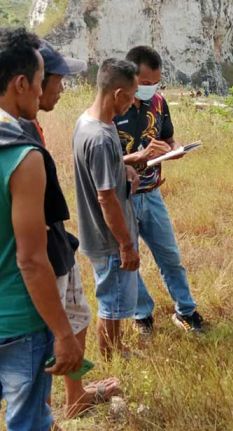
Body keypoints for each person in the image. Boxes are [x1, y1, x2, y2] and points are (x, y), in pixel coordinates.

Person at [23, 40, 120, 418]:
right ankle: (43, 415)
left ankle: (75, 396)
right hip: (44, 253)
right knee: (48, 336)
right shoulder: (15, 132)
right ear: (32, 82)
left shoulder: (32, 123)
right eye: (58, 80)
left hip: (59, 243)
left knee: (77, 318)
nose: (63, 88)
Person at [0, 27, 83, 430]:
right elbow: (31, 260)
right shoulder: (21, 156)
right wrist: (64, 335)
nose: (41, 92)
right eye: (38, 82)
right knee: (28, 420)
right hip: (18, 320)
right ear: (20, 84)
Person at [114, 46, 204, 334]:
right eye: (145, 84)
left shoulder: (159, 103)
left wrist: (175, 150)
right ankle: (142, 315)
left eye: (156, 83)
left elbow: (169, 138)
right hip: (121, 198)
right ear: (130, 79)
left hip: (151, 193)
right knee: (129, 260)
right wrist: (137, 158)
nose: (151, 89)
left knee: (170, 257)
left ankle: (186, 311)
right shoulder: (113, 109)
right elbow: (102, 162)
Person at [73, 58, 140, 359]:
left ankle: (117, 348)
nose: (134, 101)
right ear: (117, 95)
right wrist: (125, 244)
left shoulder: (91, 121)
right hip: (109, 239)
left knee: (113, 299)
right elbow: (106, 198)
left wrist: (123, 169)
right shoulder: (99, 138)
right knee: (111, 305)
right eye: (131, 94)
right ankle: (111, 361)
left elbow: (103, 172)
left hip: (103, 235)